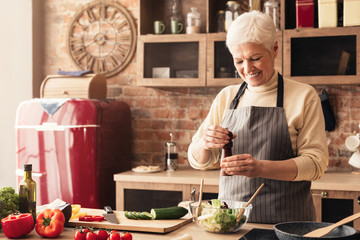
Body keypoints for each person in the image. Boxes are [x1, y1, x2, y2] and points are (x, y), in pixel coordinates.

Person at [187, 10, 328, 224]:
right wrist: (205, 144)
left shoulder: (304, 96)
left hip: (288, 227)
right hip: (231, 226)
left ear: (274, 48)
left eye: (255, 58)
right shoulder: (227, 97)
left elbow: (315, 165)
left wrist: (261, 168)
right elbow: (197, 160)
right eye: (239, 61)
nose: (247, 68)